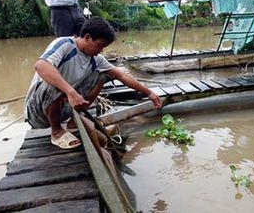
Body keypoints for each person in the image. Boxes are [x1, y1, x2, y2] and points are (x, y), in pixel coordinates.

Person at [24, 17, 162, 149]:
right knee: (54, 83)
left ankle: (73, 122)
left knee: (102, 76)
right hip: (38, 112)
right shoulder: (65, 44)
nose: (101, 51)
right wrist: (70, 92)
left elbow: (121, 75)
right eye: (100, 46)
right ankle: (56, 133)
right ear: (87, 37)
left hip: (63, 107)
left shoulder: (96, 59)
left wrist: (149, 92)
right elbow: (40, 66)